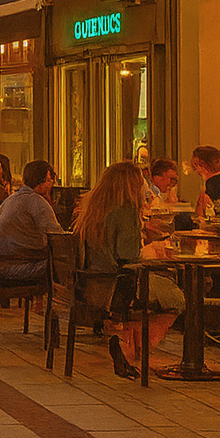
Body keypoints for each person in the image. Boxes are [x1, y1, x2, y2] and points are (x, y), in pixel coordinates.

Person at [75, 161, 184, 380]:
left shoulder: (95, 208)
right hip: (119, 286)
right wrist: (153, 249)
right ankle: (130, 349)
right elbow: (129, 255)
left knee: (162, 288)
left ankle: (127, 347)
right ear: (132, 184)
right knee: (177, 298)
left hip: (94, 284)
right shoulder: (126, 209)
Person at [0, 160, 64, 282]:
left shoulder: (11, 199)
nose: (51, 184)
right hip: (16, 267)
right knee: (61, 264)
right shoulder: (37, 202)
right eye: (49, 180)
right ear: (40, 182)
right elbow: (58, 238)